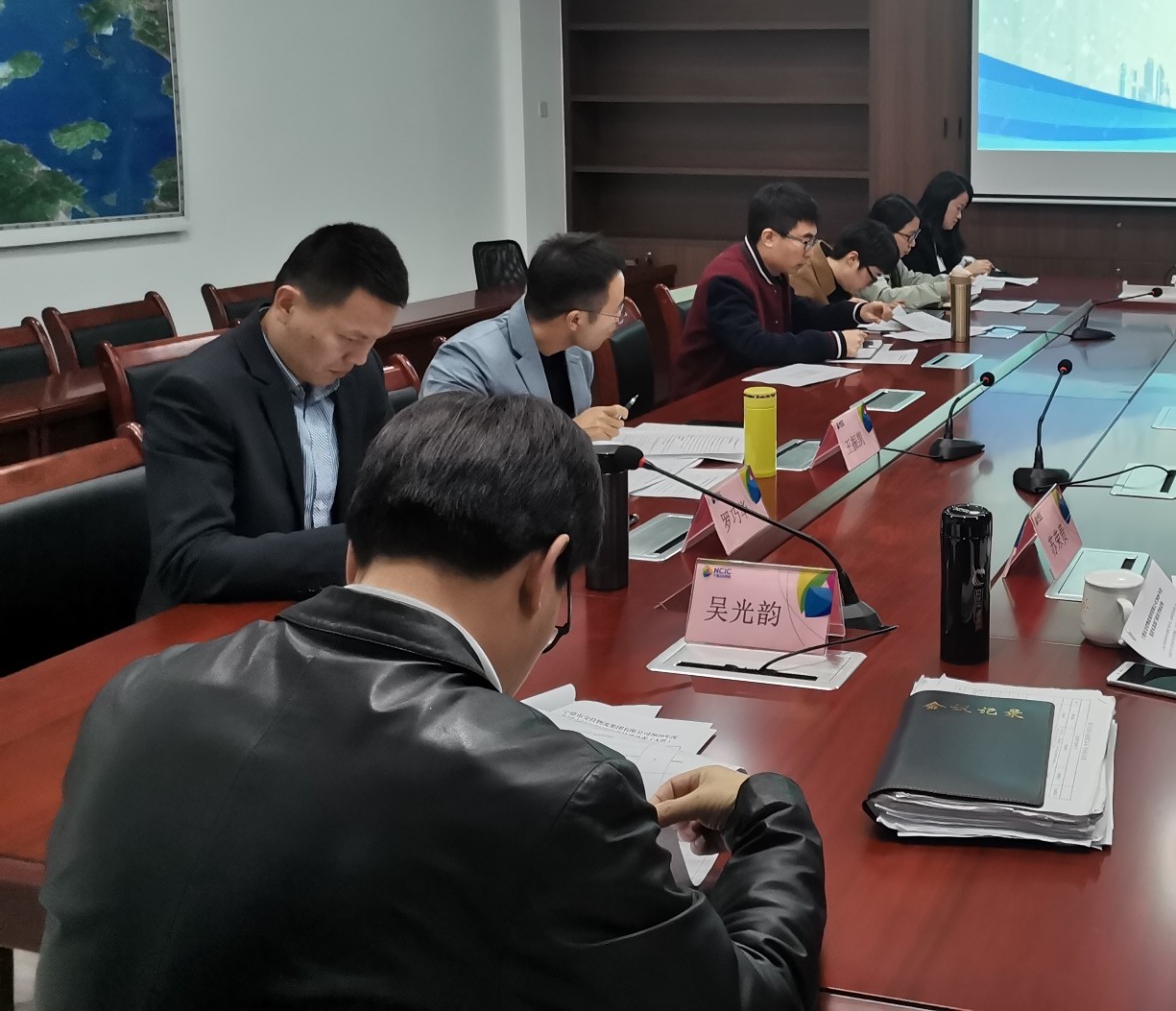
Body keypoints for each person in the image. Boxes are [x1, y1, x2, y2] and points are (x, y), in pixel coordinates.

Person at [38, 393, 826, 1010]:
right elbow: (745, 997)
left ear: (353, 553)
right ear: (543, 575)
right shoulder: (558, 792)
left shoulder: (135, 694)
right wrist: (767, 813)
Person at [138, 223, 409, 618]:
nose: (361, 358)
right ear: (286, 305)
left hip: (329, 606)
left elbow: (389, 488)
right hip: (221, 623)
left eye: (374, 341)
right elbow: (190, 559)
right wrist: (356, 545)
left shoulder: (360, 375)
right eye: (350, 339)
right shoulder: (198, 393)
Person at [671, 181, 890, 400]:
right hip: (708, 400)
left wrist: (856, 312)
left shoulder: (773, 270)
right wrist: (834, 343)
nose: (810, 252)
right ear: (769, 238)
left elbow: (803, 314)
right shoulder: (727, 278)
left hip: (756, 390)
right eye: (805, 241)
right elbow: (755, 347)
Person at [421, 231, 631, 439]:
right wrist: (569, 435)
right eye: (616, 311)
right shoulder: (465, 360)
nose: (618, 319)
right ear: (575, 319)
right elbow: (446, 449)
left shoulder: (577, 351)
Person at [789, 219, 902, 311]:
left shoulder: (841, 286)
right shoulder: (800, 277)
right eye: (873, 277)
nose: (869, 285)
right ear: (852, 259)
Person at [859, 194, 950, 309]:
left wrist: (950, 281)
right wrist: (941, 289)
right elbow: (884, 298)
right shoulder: (866, 257)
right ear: (887, 231)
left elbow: (911, 280)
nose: (913, 243)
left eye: (915, 236)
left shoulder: (891, 258)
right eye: (909, 236)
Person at [902, 170, 992, 279]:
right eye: (958, 208)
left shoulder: (944, 234)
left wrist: (966, 265)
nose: (959, 216)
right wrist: (966, 272)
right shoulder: (915, 236)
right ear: (941, 201)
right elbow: (923, 281)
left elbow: (952, 265)